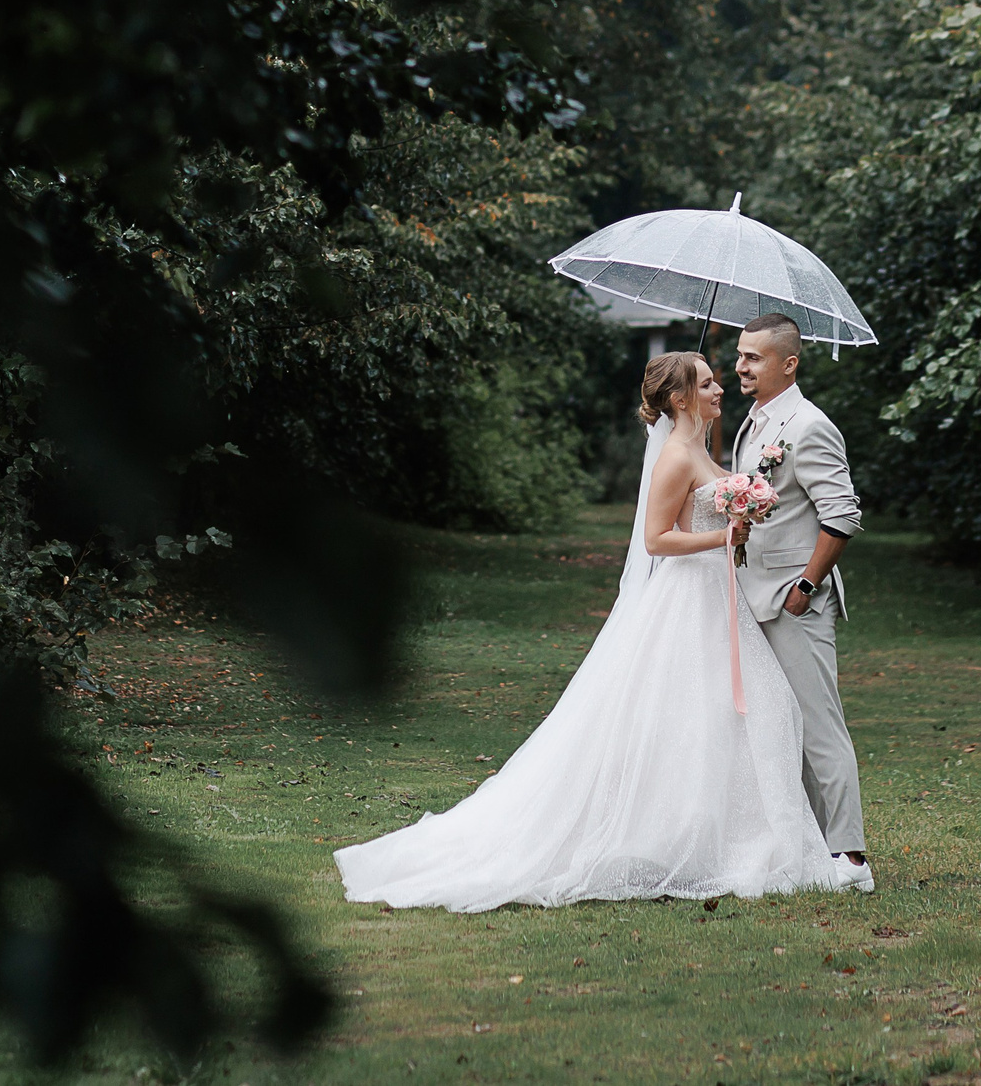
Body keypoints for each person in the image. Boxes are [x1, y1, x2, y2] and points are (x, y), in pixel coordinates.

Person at [333, 352, 866, 909]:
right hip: (689, 597)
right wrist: (722, 537)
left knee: (740, 716)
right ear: (680, 399)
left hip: (720, 597)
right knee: (703, 715)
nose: (720, 388)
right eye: (707, 383)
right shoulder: (676, 458)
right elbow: (658, 540)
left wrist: (741, 520)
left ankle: (726, 837)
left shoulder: (709, 449)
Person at [732, 313, 870, 884]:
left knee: (818, 725)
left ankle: (852, 859)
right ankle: (808, 847)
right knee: (774, 724)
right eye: (740, 355)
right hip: (749, 594)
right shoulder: (754, 421)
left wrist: (806, 587)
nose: (741, 366)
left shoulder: (808, 425)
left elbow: (842, 515)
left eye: (753, 358)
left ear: (789, 364)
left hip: (795, 600)